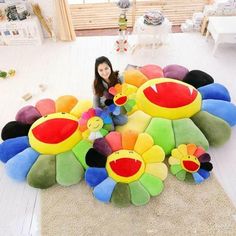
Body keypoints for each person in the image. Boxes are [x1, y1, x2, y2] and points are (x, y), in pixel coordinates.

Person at [93, 56, 127, 125]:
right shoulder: (96, 83)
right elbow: (95, 101)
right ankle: (107, 121)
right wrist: (97, 114)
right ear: (97, 71)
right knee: (110, 127)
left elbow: (124, 93)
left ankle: (109, 120)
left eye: (106, 68)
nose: (104, 72)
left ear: (110, 67)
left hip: (116, 107)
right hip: (104, 109)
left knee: (123, 120)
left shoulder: (119, 78)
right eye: (101, 70)